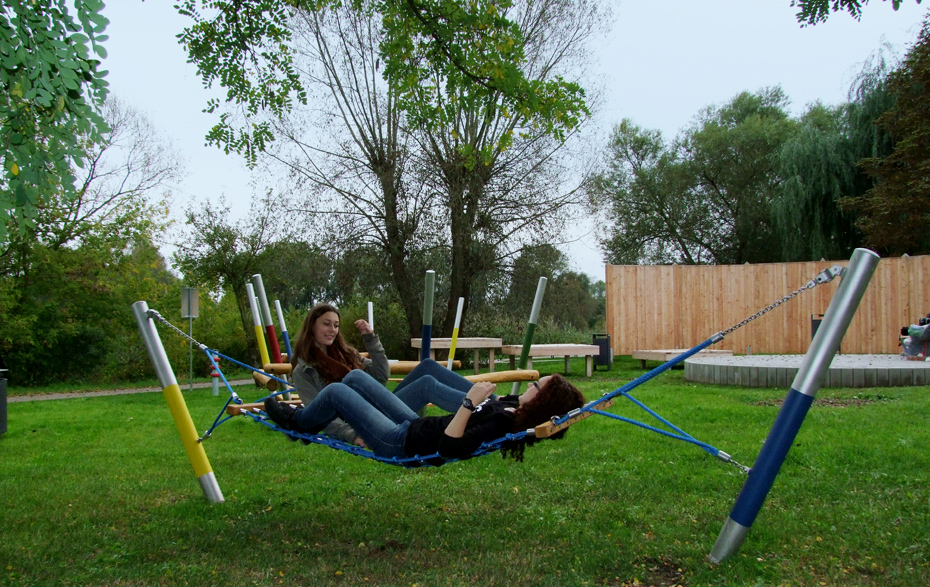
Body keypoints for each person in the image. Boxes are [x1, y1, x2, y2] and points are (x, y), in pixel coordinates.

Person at [263, 368, 586, 464]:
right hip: (413, 426)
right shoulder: (513, 409)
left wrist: (469, 404)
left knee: (335, 392)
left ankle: (297, 423)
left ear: (541, 401)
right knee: (354, 378)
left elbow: (450, 448)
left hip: (399, 443)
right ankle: (311, 421)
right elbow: (558, 411)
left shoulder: (504, 421)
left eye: (535, 386)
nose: (529, 386)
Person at [289, 303, 390, 446]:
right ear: (311, 326)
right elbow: (317, 413)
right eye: (326, 324)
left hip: (380, 410)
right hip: (363, 422)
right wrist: (352, 435)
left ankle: (428, 435)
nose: (332, 330)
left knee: (427, 373)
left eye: (336, 326)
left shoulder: (347, 354)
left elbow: (381, 375)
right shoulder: (304, 371)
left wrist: (371, 339)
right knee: (353, 378)